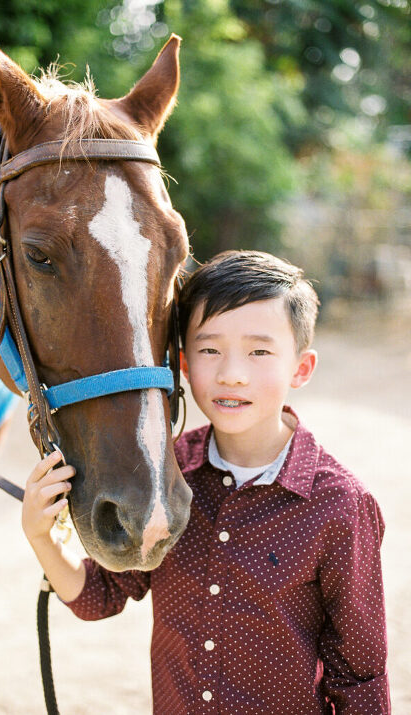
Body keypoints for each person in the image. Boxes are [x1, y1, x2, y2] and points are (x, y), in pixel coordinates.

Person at [22, 250, 390, 714]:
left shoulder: (339, 504)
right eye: (210, 350)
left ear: (301, 368)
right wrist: (41, 536)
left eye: (259, 352)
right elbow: (101, 595)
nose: (231, 374)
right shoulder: (165, 474)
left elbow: (360, 674)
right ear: (183, 364)